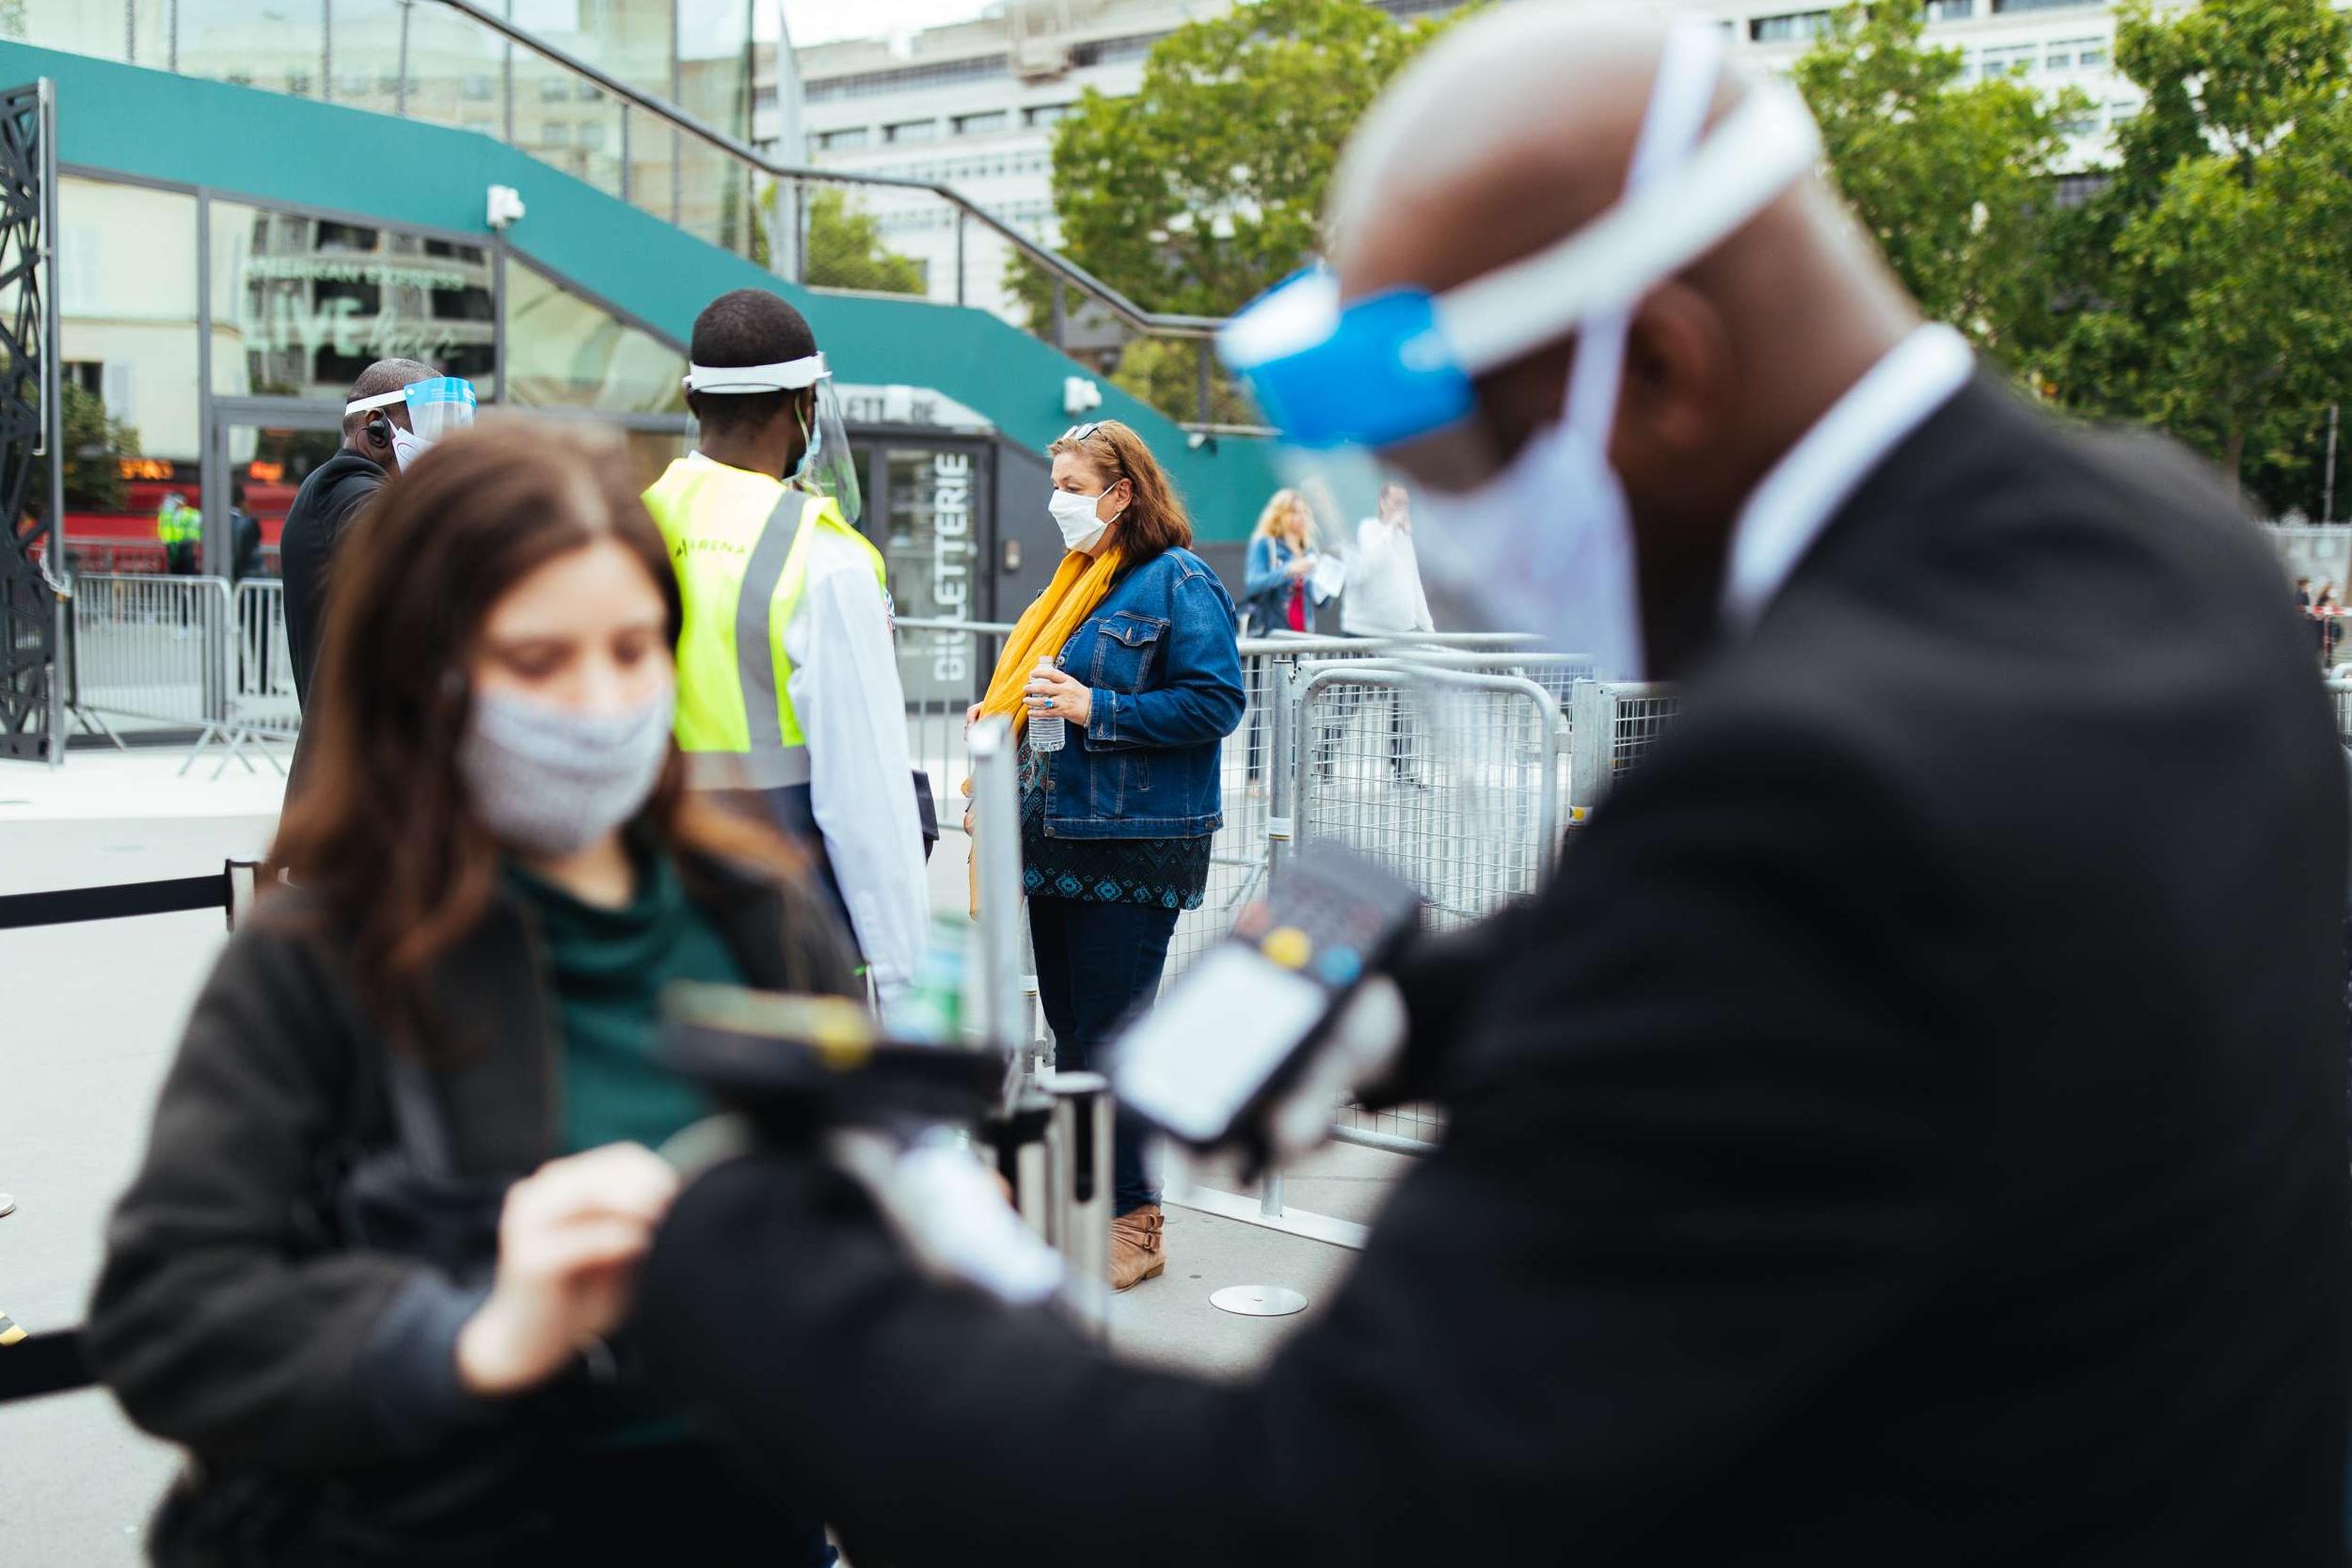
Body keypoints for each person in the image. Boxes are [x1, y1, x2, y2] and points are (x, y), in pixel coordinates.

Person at [636, 15, 2348, 1565]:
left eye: (1452, 461)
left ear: (1662, 370)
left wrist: (765, 1274)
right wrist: (1415, 1007)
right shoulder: (2165, 541)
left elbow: (1297, 1499)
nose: (1439, 526)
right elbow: (1893, 997)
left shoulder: (1817, 794)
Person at [87, 420, 854, 1565]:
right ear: (424, 672)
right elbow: (171, 1318)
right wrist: (469, 1335)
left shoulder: (756, 910)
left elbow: (844, 1209)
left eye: (636, 648)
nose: (601, 702)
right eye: (538, 660)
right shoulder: (321, 954)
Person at [964, 418, 1244, 1289]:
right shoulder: (1080, 583)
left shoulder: (1178, 581)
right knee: (1076, 1036)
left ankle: (1137, 1217)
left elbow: (1216, 700)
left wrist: (1097, 708)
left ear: (1123, 494)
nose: (1058, 505)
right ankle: (1084, 1197)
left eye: (1073, 488)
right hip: (1057, 842)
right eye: (1056, 486)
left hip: (1134, 848)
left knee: (1118, 1042)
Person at [644, 288, 929, 1007]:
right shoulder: (820, 554)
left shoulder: (624, 524)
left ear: (690, 397)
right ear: (806, 402)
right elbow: (868, 803)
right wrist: (901, 983)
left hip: (649, 923)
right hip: (783, 938)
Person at [280, 358, 476, 791]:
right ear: (376, 428)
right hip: (358, 787)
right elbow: (401, 555)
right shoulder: (345, 486)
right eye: (432, 424)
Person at [1337, 481, 1436, 782]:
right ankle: (1320, 762)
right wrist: (1390, 527)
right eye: (1396, 502)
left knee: (1405, 702)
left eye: (1405, 503)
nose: (1401, 509)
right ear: (1382, 502)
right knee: (1346, 699)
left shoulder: (1405, 538)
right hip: (1364, 632)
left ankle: (1403, 768)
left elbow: (1412, 581)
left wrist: (1428, 628)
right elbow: (1368, 565)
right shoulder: (1369, 529)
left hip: (1401, 632)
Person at [1242, 486, 1320, 636]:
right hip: (1273, 633)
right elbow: (1252, 585)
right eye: (1295, 512)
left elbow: (1319, 603)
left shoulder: (1309, 550)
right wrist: (1288, 570)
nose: (1302, 517)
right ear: (1279, 515)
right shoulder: (1265, 544)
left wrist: (1328, 585)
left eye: (1305, 512)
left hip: (1305, 635)